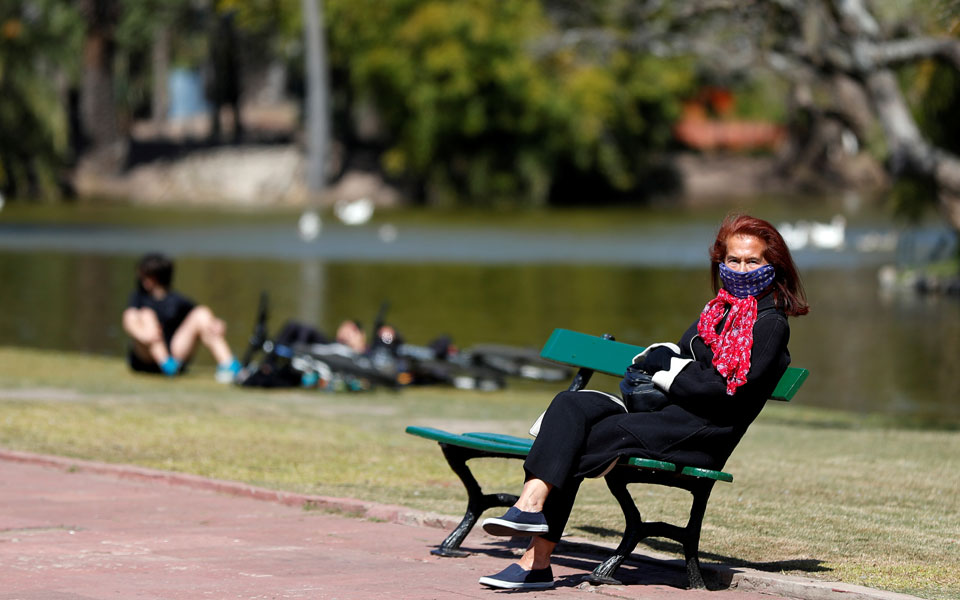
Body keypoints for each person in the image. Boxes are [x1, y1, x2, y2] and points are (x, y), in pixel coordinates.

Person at [477, 214, 809, 590]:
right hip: (666, 416)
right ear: (721, 261)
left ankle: (535, 559)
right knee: (571, 408)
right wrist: (670, 365)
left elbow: (719, 391)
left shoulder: (770, 324)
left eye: (753, 261)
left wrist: (669, 368)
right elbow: (683, 357)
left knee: (579, 437)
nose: (741, 269)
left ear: (773, 266)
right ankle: (529, 505)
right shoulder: (719, 309)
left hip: (701, 432)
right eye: (734, 260)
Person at [122, 253, 242, 383]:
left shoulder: (177, 300)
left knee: (202, 312)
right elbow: (129, 319)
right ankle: (165, 364)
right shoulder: (138, 297)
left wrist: (217, 323)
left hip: (175, 355)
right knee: (147, 315)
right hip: (145, 356)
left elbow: (203, 317)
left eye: (145, 275)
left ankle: (229, 365)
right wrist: (146, 336)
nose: (141, 278)